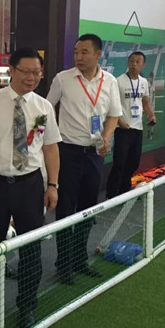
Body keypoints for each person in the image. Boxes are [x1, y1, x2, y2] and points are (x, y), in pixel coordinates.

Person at [0, 47, 61, 328]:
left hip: (30, 185)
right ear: (11, 71)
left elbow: (50, 148)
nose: (31, 78)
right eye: (25, 72)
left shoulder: (43, 106)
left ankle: (27, 305)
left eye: (37, 72)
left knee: (31, 248)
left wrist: (52, 185)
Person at [47, 33, 122, 285]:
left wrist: (106, 137)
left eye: (84, 52)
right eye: (76, 52)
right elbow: (46, 109)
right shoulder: (63, 79)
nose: (78, 57)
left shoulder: (109, 81)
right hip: (68, 153)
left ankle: (80, 259)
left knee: (89, 209)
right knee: (66, 210)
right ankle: (63, 264)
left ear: (98, 54)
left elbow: (114, 114)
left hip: (94, 154)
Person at [106, 52, 156, 198]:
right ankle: (111, 194)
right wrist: (120, 121)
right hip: (122, 128)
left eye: (138, 61)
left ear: (143, 65)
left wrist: (151, 115)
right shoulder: (119, 81)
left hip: (137, 128)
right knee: (119, 163)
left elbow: (145, 101)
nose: (134, 64)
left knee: (133, 163)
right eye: (132, 61)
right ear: (128, 63)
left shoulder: (143, 82)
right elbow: (113, 104)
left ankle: (124, 192)